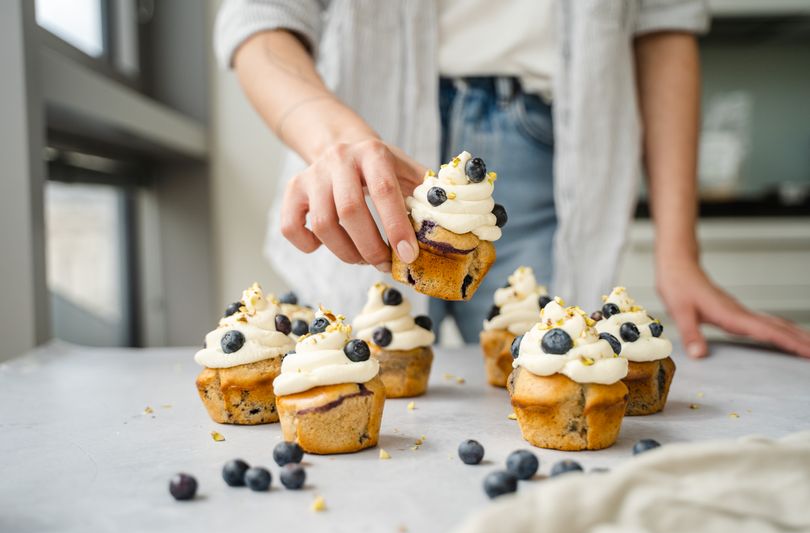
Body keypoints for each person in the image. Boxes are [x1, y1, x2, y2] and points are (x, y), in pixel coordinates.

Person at [214, 0, 810, 359]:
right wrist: (330, 138)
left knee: (551, 370)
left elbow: (664, 23)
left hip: (544, 156)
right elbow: (260, 19)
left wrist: (678, 252)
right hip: (358, 145)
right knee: (355, 370)